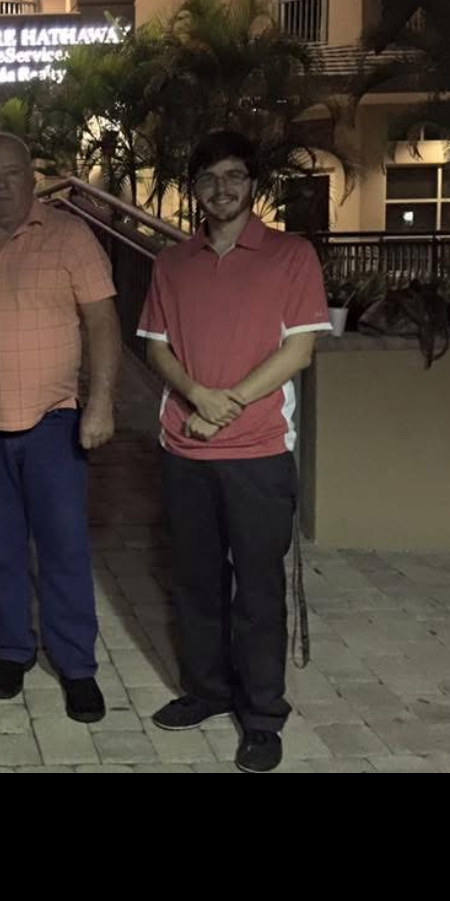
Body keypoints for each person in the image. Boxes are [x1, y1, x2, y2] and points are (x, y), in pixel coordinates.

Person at [137, 129, 333, 775]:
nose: (220, 190)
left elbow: (298, 349)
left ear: (252, 184)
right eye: (207, 179)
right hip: (183, 451)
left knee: (256, 588)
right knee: (194, 582)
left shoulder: (289, 256)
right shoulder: (171, 263)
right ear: (192, 188)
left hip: (257, 452)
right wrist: (194, 394)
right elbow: (155, 346)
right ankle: (206, 690)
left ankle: (260, 714)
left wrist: (226, 403)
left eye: (233, 177)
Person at [0, 133, 122, 726]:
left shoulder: (70, 237)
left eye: (12, 173)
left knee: (64, 546)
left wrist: (102, 403)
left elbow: (102, 323)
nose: (1, 184)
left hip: (54, 420)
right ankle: (13, 649)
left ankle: (76, 664)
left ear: (32, 178)